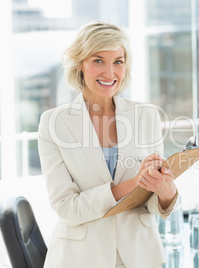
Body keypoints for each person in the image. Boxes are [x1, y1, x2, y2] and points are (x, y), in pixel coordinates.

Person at [38, 21, 178, 268]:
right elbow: (67, 207)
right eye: (98, 60)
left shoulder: (146, 115)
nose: (110, 73)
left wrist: (167, 193)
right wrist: (134, 183)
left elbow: (152, 203)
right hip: (79, 258)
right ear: (80, 64)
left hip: (139, 256)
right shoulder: (54, 123)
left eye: (118, 61)